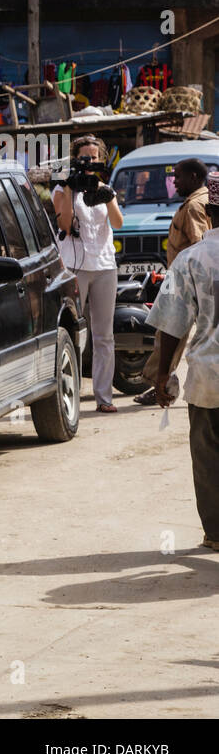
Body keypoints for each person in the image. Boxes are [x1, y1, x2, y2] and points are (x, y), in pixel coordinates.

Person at [149, 172, 219, 552]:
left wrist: (163, 374)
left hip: (208, 378)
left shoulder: (191, 260)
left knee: (208, 459)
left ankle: (216, 532)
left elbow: (172, 324)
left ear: (208, 210)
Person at [53, 135, 123, 412]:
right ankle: (69, 396)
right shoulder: (62, 188)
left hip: (105, 265)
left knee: (104, 335)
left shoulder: (105, 187)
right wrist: (71, 188)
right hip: (75, 267)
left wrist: (109, 198)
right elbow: (67, 226)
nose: (90, 162)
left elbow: (117, 222)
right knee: (72, 333)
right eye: (85, 157)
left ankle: (103, 397)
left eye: (95, 157)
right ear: (75, 159)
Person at [134, 157, 212, 404]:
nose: (174, 182)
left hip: (184, 280)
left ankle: (161, 382)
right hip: (181, 276)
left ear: (194, 178)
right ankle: (161, 381)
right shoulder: (197, 202)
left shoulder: (193, 207)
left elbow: (201, 245)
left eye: (178, 177)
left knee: (168, 330)